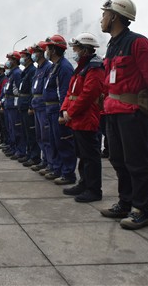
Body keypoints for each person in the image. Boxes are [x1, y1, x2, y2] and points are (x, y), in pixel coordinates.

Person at [99, 0, 148, 230]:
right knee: (118, 160)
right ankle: (125, 203)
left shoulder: (138, 42)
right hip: (113, 111)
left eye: (105, 15)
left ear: (115, 16)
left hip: (131, 112)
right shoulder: (112, 45)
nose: (102, 19)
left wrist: (140, 100)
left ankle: (141, 210)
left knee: (137, 163)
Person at [60, 33, 105, 202]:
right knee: (82, 154)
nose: (75, 52)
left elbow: (88, 95)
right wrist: (65, 109)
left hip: (86, 117)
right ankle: (84, 183)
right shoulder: (82, 67)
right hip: (77, 117)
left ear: (85, 50)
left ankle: (94, 190)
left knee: (90, 156)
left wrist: (70, 112)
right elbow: (70, 92)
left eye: (77, 48)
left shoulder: (95, 68)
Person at [42, 35, 76, 185]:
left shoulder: (64, 67)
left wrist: (63, 112)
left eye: (48, 48)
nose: (46, 51)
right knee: (54, 141)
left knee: (63, 142)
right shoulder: (54, 66)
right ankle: (57, 169)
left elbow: (64, 92)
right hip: (50, 109)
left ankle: (68, 173)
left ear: (54, 50)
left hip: (57, 109)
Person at [29, 41, 53, 172]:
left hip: (43, 106)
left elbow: (46, 88)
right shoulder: (38, 68)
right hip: (37, 105)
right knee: (39, 136)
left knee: (46, 137)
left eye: (36, 52)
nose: (34, 54)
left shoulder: (48, 67)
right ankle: (45, 161)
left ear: (43, 53)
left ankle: (50, 163)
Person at [18, 47, 41, 166]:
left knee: (31, 133)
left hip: (27, 103)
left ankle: (34, 156)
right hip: (22, 103)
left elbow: (32, 90)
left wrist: (30, 106)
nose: (21, 58)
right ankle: (29, 154)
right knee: (26, 132)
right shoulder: (26, 71)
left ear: (29, 58)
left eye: (23, 56)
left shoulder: (32, 70)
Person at [2, 52, 24, 160]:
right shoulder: (12, 74)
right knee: (11, 129)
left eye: (10, 59)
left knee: (17, 129)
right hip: (9, 103)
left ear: (15, 61)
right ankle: (14, 148)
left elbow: (19, 90)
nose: (8, 62)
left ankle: (20, 150)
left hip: (14, 104)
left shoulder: (17, 73)